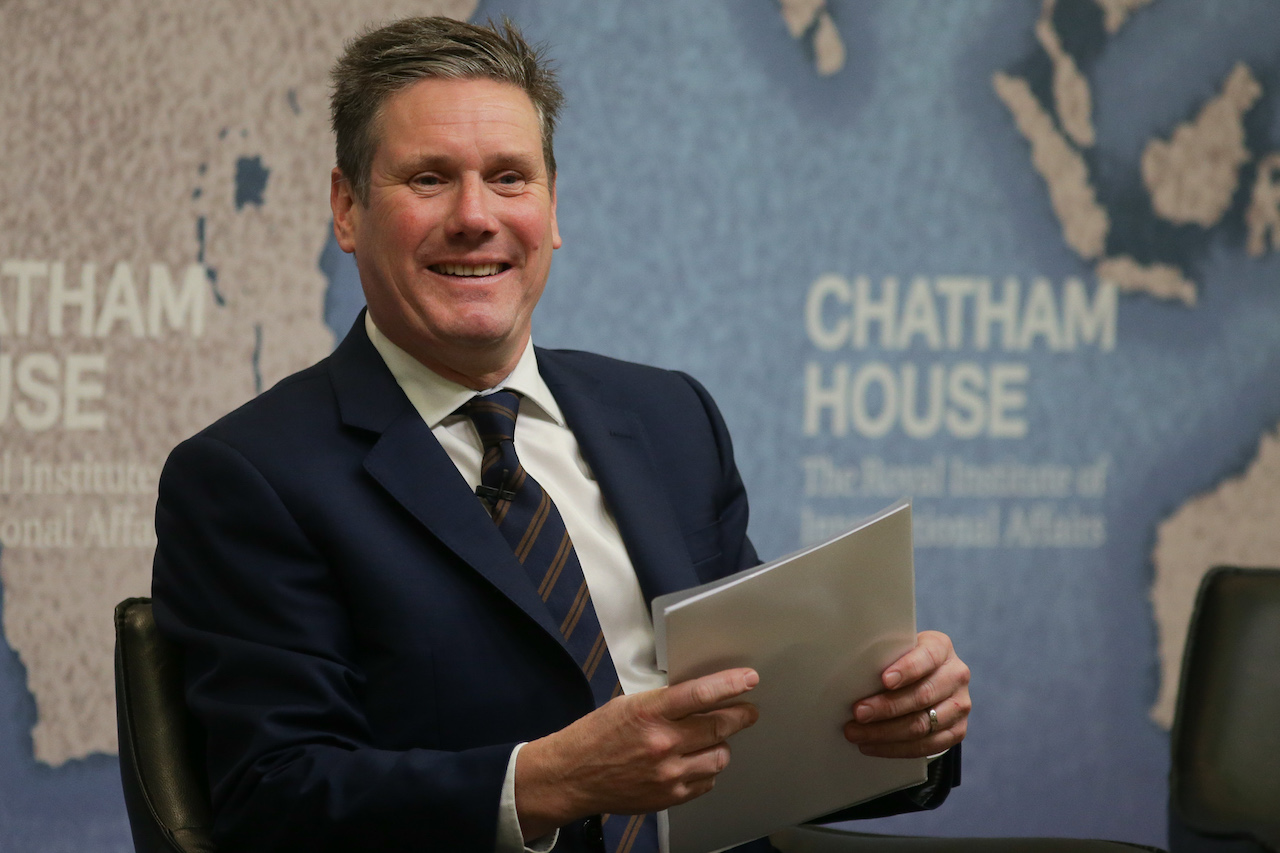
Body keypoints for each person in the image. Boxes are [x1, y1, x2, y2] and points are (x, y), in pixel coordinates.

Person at [151, 16, 970, 853]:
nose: (476, 217)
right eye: (429, 179)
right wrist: (549, 783)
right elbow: (272, 800)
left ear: (552, 207)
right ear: (346, 207)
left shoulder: (669, 417)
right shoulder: (250, 477)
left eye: (509, 178)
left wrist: (900, 720)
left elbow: (759, 722)